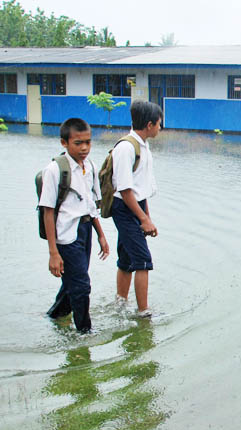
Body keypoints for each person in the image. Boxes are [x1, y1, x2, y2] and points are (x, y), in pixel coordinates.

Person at [41, 118, 109, 333]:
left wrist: (100, 234)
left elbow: (91, 203)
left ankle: (55, 316)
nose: (84, 148)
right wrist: (53, 252)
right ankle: (84, 332)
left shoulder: (89, 166)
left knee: (73, 281)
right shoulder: (54, 169)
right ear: (64, 143)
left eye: (88, 142)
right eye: (78, 143)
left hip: (85, 229)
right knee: (81, 285)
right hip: (65, 235)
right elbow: (48, 211)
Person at [111, 100, 162, 317]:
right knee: (143, 260)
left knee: (126, 258)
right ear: (149, 125)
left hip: (136, 204)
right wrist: (143, 219)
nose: (161, 127)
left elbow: (141, 188)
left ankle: (120, 302)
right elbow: (124, 190)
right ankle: (143, 312)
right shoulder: (126, 148)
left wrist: (147, 217)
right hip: (124, 207)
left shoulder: (143, 146)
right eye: (159, 124)